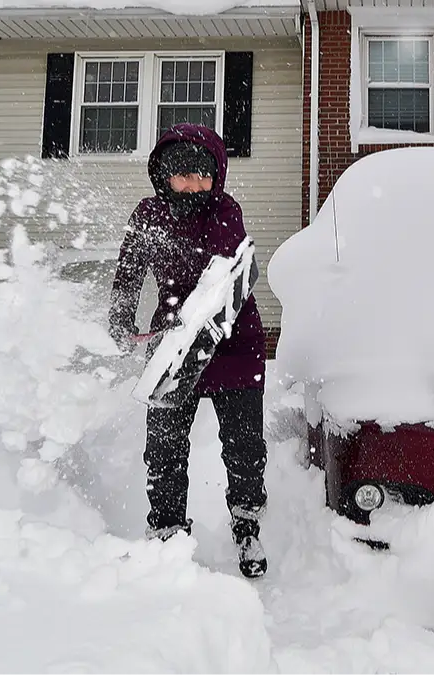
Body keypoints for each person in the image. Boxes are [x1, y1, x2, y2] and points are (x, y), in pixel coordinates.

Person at [108, 123, 269, 579]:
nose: (194, 185)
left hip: (233, 342)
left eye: (203, 175)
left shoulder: (225, 211)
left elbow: (220, 278)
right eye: (182, 175)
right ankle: (167, 528)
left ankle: (246, 521)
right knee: (164, 447)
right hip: (173, 347)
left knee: (243, 445)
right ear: (163, 175)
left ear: (216, 175)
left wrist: (189, 317)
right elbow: (129, 272)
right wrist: (122, 318)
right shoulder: (148, 215)